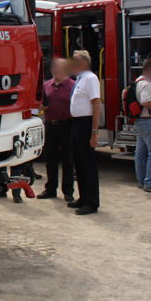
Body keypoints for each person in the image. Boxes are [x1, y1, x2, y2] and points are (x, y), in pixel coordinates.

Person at [67, 50, 101, 215]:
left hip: (86, 123)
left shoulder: (90, 78)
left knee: (88, 164)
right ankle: (83, 197)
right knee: (78, 163)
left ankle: (92, 202)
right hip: (76, 123)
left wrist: (94, 132)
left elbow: (96, 105)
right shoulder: (79, 79)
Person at [37, 58, 76, 202]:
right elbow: (40, 104)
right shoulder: (46, 85)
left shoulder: (73, 86)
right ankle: (50, 189)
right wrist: (40, 107)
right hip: (49, 126)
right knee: (50, 159)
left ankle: (68, 191)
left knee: (68, 160)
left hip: (67, 126)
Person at [134, 59, 151, 193]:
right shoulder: (148, 85)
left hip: (140, 121)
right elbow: (146, 102)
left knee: (141, 152)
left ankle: (142, 180)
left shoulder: (138, 82)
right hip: (149, 121)